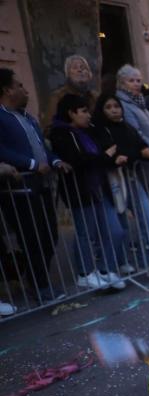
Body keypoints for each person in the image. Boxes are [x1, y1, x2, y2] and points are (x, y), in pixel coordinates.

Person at [0, 68, 69, 304]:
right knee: (32, 237)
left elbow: (41, 146)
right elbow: (3, 150)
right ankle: (40, 286)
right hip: (20, 187)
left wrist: (56, 160)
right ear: (7, 90)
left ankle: (35, 277)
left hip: (41, 184)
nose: (23, 89)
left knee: (50, 235)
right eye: (18, 85)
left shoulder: (27, 117)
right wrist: (30, 164)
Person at [49, 93, 128, 290]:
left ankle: (106, 269)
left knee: (114, 230)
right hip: (79, 191)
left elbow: (105, 152)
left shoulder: (90, 131)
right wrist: (104, 156)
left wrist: (108, 157)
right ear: (71, 113)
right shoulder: (60, 134)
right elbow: (78, 160)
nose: (88, 115)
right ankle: (85, 273)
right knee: (86, 233)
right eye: (83, 111)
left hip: (99, 188)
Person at [91, 92, 149, 271]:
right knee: (119, 226)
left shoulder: (127, 127)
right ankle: (122, 262)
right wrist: (132, 154)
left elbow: (139, 146)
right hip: (111, 182)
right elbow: (111, 153)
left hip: (130, 177)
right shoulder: (99, 130)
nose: (114, 110)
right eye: (109, 107)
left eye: (116, 106)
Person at [43, 55, 97, 134]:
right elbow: (48, 128)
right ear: (68, 75)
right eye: (75, 68)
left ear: (89, 74)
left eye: (83, 67)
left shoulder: (94, 96)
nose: (80, 70)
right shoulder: (58, 96)